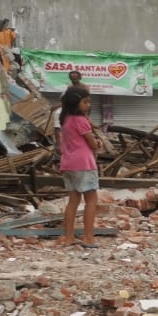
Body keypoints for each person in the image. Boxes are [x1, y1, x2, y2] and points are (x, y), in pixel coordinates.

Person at [58, 86, 101, 248]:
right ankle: (88, 237)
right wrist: (98, 144)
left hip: (68, 163)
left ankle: (68, 237)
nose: (88, 105)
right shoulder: (81, 120)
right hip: (84, 164)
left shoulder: (65, 119)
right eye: (85, 102)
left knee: (73, 201)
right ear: (75, 103)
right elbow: (91, 143)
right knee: (91, 200)